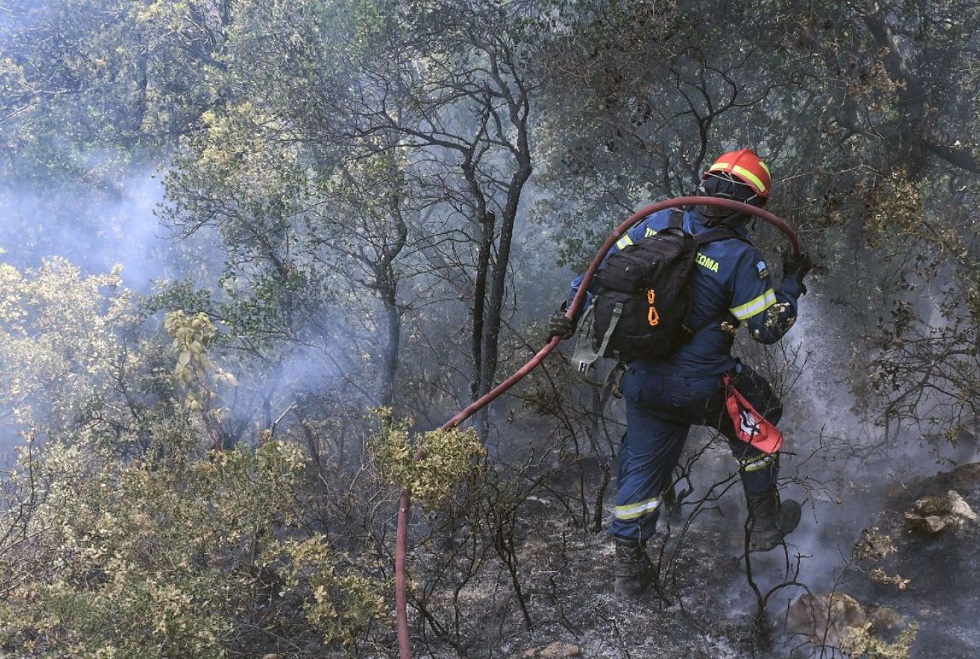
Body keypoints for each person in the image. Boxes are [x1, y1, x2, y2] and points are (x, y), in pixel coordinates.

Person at [548, 148, 813, 597]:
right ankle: (766, 524)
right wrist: (791, 283)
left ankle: (629, 572)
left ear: (705, 185)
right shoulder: (739, 256)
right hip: (706, 384)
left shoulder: (655, 225)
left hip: (644, 382)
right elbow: (768, 329)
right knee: (762, 414)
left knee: (643, 469)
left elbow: (594, 276)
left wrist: (567, 314)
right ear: (754, 207)